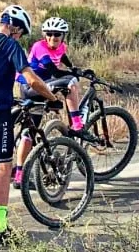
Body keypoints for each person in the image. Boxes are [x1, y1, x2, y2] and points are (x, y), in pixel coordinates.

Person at [0, 6, 61, 245]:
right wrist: (52, 98)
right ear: (14, 26)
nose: (20, 37)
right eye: (20, 32)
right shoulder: (10, 45)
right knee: (3, 170)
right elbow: (30, 79)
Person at [11, 17, 87, 188]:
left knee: (28, 134)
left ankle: (19, 176)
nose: (53, 38)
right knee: (70, 83)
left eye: (57, 34)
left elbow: (63, 56)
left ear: (63, 36)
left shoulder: (61, 46)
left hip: (43, 87)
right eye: (49, 34)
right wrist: (72, 75)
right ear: (45, 35)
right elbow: (53, 70)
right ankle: (76, 123)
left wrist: (75, 69)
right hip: (31, 88)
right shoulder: (39, 47)